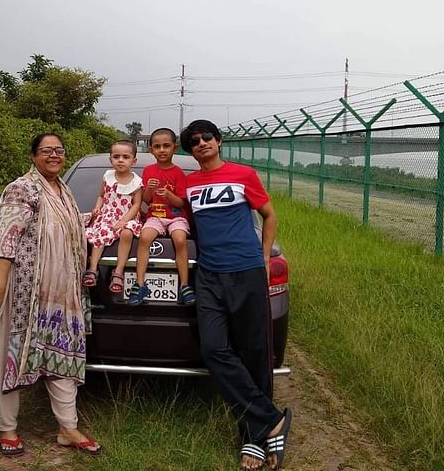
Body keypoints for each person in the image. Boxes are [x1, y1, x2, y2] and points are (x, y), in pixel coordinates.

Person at [0, 133, 102, 457]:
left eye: (59, 150)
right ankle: (7, 428)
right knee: (10, 355)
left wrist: (95, 217)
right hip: (22, 291)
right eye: (46, 150)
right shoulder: (22, 188)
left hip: (61, 294)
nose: (54, 155)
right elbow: (5, 239)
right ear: (33, 156)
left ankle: (67, 428)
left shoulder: (65, 191)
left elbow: (65, 224)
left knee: (64, 355)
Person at [180, 120, 292, 471]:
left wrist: (262, 256)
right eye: (194, 141)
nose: (201, 143)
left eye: (207, 137)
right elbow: (182, 220)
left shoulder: (244, 174)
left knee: (254, 353)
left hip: (246, 272)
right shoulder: (189, 184)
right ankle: (272, 419)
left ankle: (253, 441)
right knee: (214, 349)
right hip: (210, 275)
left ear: (219, 141)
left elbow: (269, 215)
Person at [127, 127, 195, 306]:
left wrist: (168, 195)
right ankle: (140, 283)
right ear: (151, 150)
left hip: (176, 217)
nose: (162, 150)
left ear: (175, 148)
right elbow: (146, 202)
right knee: (144, 237)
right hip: (155, 217)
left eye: (166, 146)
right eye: (157, 146)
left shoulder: (178, 173)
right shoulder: (149, 170)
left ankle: (184, 286)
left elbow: (181, 203)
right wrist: (149, 188)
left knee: (180, 240)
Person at [83, 140, 143, 293]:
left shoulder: (137, 182)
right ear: (110, 160)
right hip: (108, 215)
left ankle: (118, 271)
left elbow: (136, 205)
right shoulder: (107, 177)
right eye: (116, 157)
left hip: (127, 216)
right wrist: (97, 207)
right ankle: (92, 269)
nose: (120, 160)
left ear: (133, 161)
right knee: (100, 232)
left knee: (127, 233)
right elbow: (101, 196)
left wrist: (124, 221)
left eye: (125, 157)